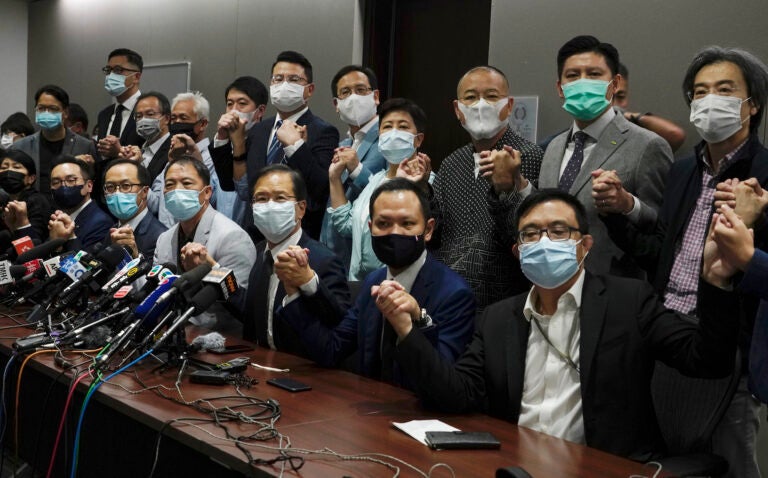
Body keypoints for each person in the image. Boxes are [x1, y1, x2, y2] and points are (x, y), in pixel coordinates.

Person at [387, 188, 738, 460]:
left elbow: (708, 360)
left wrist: (716, 282)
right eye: (531, 234)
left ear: (584, 245)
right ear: (517, 251)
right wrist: (407, 329)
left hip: (600, 465)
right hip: (514, 462)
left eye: (558, 231)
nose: (544, 242)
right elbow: (457, 393)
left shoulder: (628, 301)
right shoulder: (498, 319)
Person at [601, 46, 768, 478]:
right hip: (666, 334)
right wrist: (619, 214)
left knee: (727, 460)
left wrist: (751, 229)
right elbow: (661, 254)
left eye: (724, 90)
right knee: (671, 461)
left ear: (752, 105)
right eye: (700, 91)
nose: (710, 99)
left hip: (731, 348)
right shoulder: (682, 172)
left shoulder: (765, 175)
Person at [281, 178, 475, 387]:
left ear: (428, 230)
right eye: (384, 224)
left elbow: (445, 385)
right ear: (371, 227)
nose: (395, 232)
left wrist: (413, 324)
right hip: (371, 408)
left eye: (407, 223)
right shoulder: (373, 281)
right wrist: (293, 291)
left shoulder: (454, 293)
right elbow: (331, 350)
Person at [538, 35, 673, 279]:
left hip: (614, 288)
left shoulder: (648, 145)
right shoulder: (553, 147)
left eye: (594, 74)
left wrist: (628, 204)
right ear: (560, 88)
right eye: (572, 76)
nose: (583, 83)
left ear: (615, 83)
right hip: (552, 282)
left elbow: (664, 227)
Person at [432, 66, 544, 310]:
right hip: (451, 301)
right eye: (470, 97)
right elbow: (436, 233)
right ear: (457, 110)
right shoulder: (452, 163)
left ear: (509, 105)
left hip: (506, 302)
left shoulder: (528, 157)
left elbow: (527, 237)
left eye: (492, 96)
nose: (480, 105)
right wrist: (421, 190)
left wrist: (507, 188)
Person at [211, 50, 339, 240]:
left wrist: (295, 147)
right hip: (255, 234)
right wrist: (223, 139)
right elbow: (233, 185)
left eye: (294, 79)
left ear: (309, 90)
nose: (284, 84)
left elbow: (320, 190)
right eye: (278, 79)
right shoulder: (260, 129)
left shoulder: (323, 131)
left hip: (298, 236)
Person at [227, 164, 350, 356]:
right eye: (261, 198)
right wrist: (214, 272)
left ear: (301, 209)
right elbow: (253, 314)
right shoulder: (261, 252)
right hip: (260, 366)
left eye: (280, 198)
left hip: (305, 373)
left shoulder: (323, 260)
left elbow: (340, 324)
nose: (269, 206)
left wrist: (308, 282)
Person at [328, 98, 430, 280]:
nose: (394, 133)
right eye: (387, 126)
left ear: (418, 139)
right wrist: (334, 179)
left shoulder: (427, 182)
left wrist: (417, 183)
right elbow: (347, 225)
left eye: (403, 127)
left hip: (400, 284)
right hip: (361, 283)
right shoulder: (376, 180)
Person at [153, 157, 256, 333]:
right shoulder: (164, 238)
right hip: (172, 333)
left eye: (186, 183)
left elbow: (241, 304)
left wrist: (208, 271)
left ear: (207, 192)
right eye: (170, 185)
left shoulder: (232, 237)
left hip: (220, 338)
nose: (177, 190)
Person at [320, 65, 387, 268]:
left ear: (375, 96)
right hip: (334, 252)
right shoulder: (343, 145)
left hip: (366, 256)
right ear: (336, 104)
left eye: (360, 90)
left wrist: (357, 169)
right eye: (345, 92)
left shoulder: (389, 139)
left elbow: (387, 192)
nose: (354, 97)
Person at [148, 91, 220, 227]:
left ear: (203, 124)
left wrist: (197, 161)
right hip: (166, 235)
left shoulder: (212, 158)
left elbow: (215, 200)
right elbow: (156, 202)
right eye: (174, 118)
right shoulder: (171, 157)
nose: (177, 123)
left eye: (183, 118)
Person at [10, 85, 98, 194]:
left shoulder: (84, 145)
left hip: (68, 208)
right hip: (32, 207)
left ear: (65, 113)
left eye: (53, 109)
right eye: (41, 108)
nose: (46, 113)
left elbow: (93, 184)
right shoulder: (21, 146)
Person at [209, 76, 268, 224]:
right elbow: (227, 185)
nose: (234, 111)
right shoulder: (224, 143)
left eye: (242, 104)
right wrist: (222, 136)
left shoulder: (266, 140)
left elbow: (245, 190)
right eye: (229, 104)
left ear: (260, 111)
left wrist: (239, 143)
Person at [613, 63, 686, 152]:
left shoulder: (634, 132)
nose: (613, 104)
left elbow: (675, 134)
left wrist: (627, 115)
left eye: (620, 97)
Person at [102, 159, 166, 258]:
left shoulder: (160, 237)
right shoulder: (113, 230)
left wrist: (135, 257)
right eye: (110, 187)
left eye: (126, 186)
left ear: (144, 192)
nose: (117, 193)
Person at [46, 156, 112, 249]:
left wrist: (63, 241)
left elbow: (89, 262)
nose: (63, 186)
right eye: (56, 182)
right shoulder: (56, 219)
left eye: (71, 180)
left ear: (89, 186)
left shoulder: (101, 222)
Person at [96, 48, 144, 160]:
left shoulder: (149, 112)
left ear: (136, 77)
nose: (111, 76)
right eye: (108, 70)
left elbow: (154, 154)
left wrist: (119, 152)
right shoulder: (104, 114)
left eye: (118, 70)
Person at [117, 91, 171, 182]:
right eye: (138, 116)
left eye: (150, 114)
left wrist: (139, 164)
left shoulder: (174, 150)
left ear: (166, 118)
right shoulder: (137, 149)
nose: (143, 120)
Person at [0, 150, 53, 241]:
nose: (9, 171)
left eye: (16, 167)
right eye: (4, 167)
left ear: (31, 178)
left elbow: (35, 241)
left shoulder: (36, 201)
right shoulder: (4, 200)